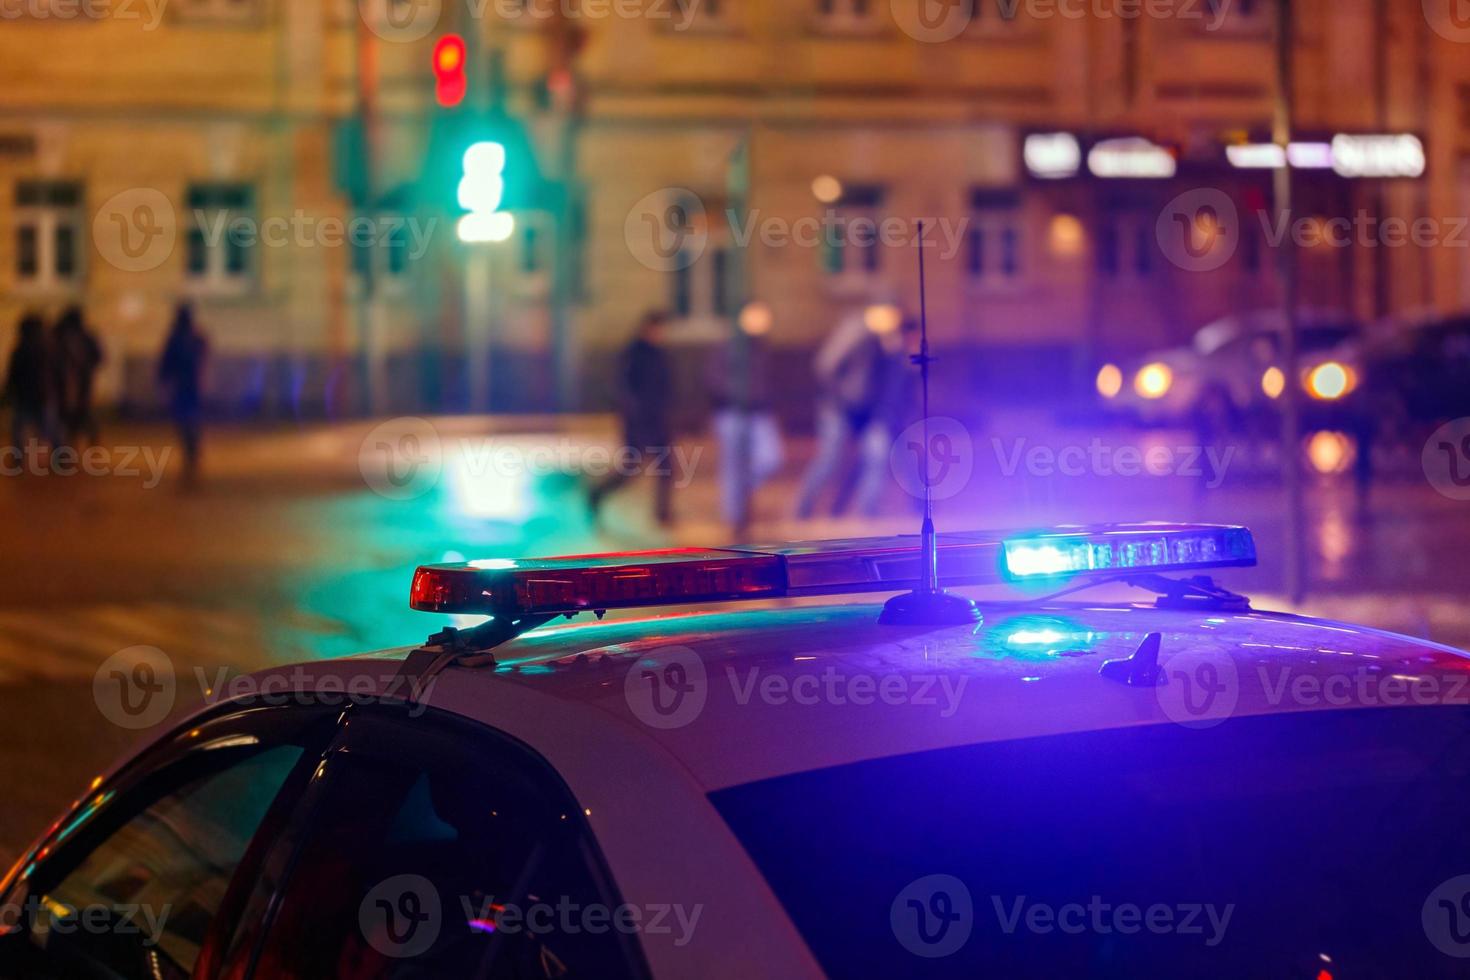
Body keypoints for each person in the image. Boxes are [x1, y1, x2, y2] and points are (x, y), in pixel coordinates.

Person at [794, 305, 891, 519]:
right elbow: (825, 364)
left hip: (862, 410)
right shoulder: (856, 332)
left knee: (871, 456)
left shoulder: (879, 338)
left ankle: (861, 510)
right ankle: (803, 507)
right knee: (829, 460)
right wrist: (840, 397)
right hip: (838, 408)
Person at [589, 311, 675, 526]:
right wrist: (635, 417)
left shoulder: (658, 354)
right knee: (630, 470)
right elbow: (625, 390)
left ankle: (662, 514)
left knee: (666, 468)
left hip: (657, 422)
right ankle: (597, 495)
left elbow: (664, 389)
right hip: (639, 423)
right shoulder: (634, 354)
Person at [707, 304, 785, 532]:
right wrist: (737, 394)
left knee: (771, 458)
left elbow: (769, 380)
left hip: (760, 412)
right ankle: (735, 517)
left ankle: (740, 495)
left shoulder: (762, 346)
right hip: (731, 412)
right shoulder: (728, 345)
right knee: (732, 466)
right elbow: (713, 376)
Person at [158, 303, 209, 481]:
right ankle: (192, 451)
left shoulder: (176, 338)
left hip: (181, 385)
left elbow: (166, 362)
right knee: (191, 419)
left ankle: (191, 452)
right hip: (192, 385)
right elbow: (204, 354)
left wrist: (163, 381)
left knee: (184, 420)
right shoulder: (195, 337)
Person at [2, 313, 57, 456]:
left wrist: (8, 393)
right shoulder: (48, 347)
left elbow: (13, 373)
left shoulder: (22, 349)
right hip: (43, 395)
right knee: (49, 429)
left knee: (20, 429)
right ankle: (60, 457)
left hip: (26, 396)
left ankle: (18, 458)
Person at [51, 306, 103, 447]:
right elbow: (98, 357)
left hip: (67, 384)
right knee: (78, 414)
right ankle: (71, 445)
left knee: (71, 415)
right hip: (73, 383)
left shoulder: (57, 335)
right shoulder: (84, 336)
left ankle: (67, 447)